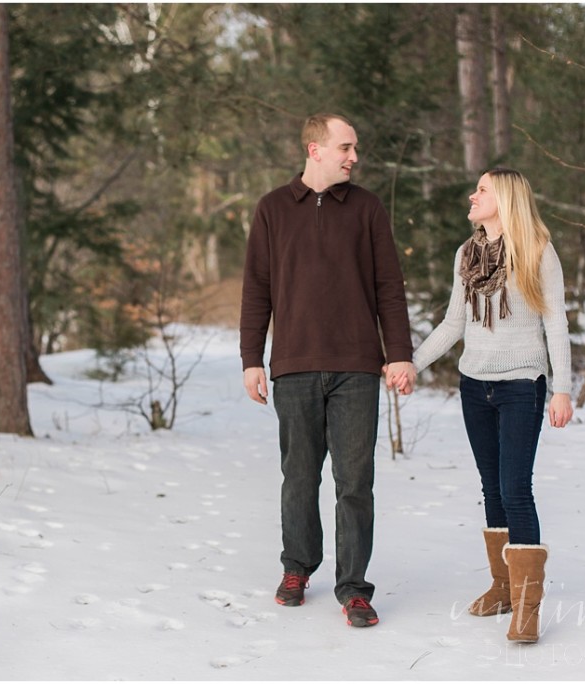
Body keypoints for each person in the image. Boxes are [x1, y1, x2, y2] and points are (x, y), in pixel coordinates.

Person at [240, 113, 414, 628]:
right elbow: (256, 290)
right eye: (345, 147)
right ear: (315, 149)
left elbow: (389, 286)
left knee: (354, 481)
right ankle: (297, 567)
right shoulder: (273, 209)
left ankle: (354, 588)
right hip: (293, 366)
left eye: (354, 147)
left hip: (357, 367)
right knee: (298, 475)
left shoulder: (367, 209)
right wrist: (253, 359)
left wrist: (399, 352)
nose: (353, 156)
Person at [411, 167, 573, 643]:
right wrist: (410, 364)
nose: (472, 195)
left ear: (505, 199)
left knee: (515, 488)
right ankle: (503, 588)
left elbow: (556, 325)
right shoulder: (467, 253)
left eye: (481, 190)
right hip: (473, 384)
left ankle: (527, 606)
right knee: (491, 487)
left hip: (522, 384)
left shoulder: (538, 251)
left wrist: (560, 387)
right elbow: (452, 324)